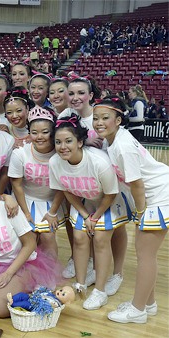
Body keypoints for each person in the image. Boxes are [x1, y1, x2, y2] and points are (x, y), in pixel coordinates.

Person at [90, 96, 169, 324]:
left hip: (158, 197)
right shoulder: (113, 140)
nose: (99, 122)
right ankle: (149, 304)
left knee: (145, 255)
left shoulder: (123, 146)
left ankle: (137, 310)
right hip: (153, 195)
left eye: (106, 118)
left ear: (118, 119)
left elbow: (137, 185)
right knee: (145, 254)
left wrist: (141, 214)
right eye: (96, 118)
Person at [49, 114, 130, 311]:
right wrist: (86, 216)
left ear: (80, 142)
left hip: (110, 199)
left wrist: (95, 217)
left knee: (101, 238)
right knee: (79, 237)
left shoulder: (98, 162)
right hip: (85, 201)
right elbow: (67, 190)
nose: (63, 146)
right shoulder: (55, 162)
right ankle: (81, 284)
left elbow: (111, 193)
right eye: (58, 142)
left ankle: (100, 291)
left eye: (68, 141)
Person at [0, 168, 61, 318]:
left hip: (21, 264)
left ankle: (30, 289)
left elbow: (30, 244)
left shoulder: (9, 209)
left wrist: (8, 274)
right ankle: (1, 290)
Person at [9, 106, 65, 259]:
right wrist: (26, 213)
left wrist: (52, 212)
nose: (39, 136)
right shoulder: (20, 153)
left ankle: (50, 275)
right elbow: (17, 185)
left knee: (47, 237)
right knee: (28, 238)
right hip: (25, 199)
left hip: (50, 201)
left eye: (45, 132)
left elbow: (62, 187)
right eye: (34, 132)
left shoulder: (61, 153)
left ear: (53, 132)